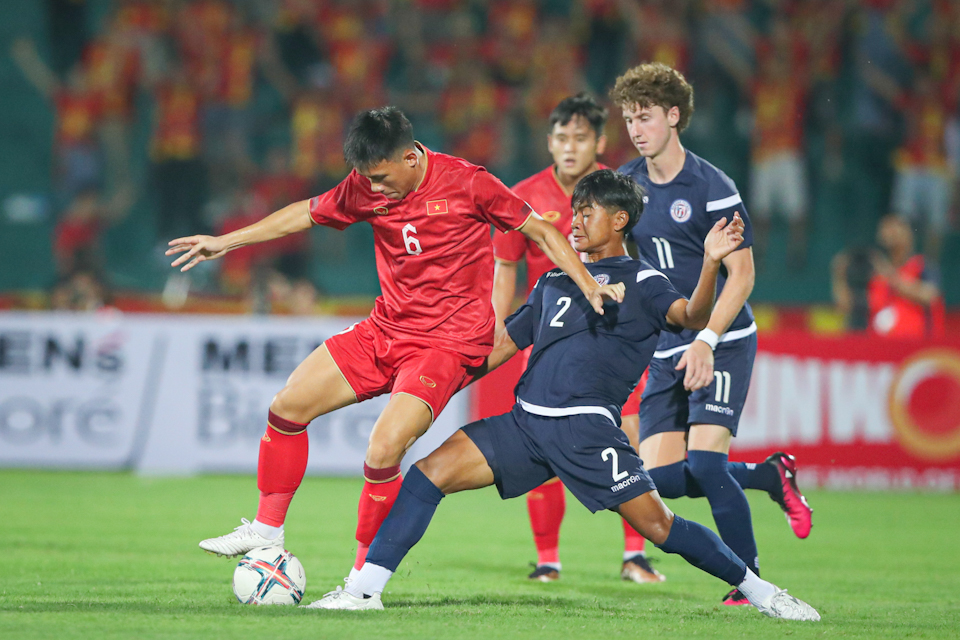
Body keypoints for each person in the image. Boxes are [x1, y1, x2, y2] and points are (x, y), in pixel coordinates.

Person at [307, 169, 820, 622]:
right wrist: (428, 385)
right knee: (427, 474)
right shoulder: (554, 279)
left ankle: (763, 592)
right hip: (525, 425)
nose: (573, 222)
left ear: (619, 220)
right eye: (573, 211)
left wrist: (710, 264)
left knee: (660, 526)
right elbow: (502, 345)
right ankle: (363, 591)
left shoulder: (644, 281)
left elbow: (691, 317)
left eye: (586, 212)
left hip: (587, 433)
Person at [167, 107, 624, 581]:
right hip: (386, 328)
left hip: (447, 343)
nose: (375, 188)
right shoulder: (367, 184)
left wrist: (590, 285)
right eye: (367, 178)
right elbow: (304, 214)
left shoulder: (468, 182)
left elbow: (543, 232)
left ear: (410, 157)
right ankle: (266, 530)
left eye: (382, 178)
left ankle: (363, 579)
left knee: (383, 449)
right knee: (288, 406)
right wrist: (227, 242)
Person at [610, 62, 813, 607]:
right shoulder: (627, 184)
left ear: (673, 117)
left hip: (722, 340)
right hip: (665, 347)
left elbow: (743, 276)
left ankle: (749, 585)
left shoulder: (712, 186)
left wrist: (707, 341)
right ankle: (770, 477)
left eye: (645, 116)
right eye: (629, 118)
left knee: (704, 464)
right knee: (656, 483)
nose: (635, 128)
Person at [492, 93, 660, 584]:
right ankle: (548, 559)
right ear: (548, 142)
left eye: (580, 138)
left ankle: (635, 555)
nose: (569, 147)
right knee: (539, 436)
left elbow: (644, 267)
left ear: (599, 143)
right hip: (550, 341)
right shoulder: (522, 197)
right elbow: (506, 269)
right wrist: (499, 332)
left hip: (614, 338)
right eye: (561, 138)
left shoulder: (623, 192)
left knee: (627, 436)